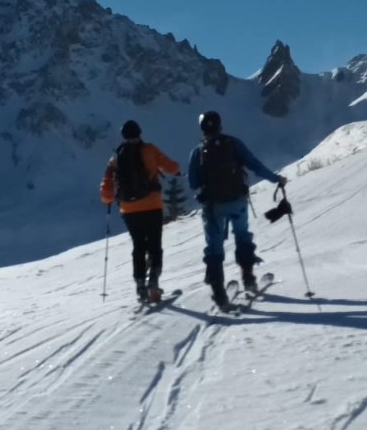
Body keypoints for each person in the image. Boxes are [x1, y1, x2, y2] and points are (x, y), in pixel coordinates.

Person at [187, 110, 286, 308]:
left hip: (212, 207)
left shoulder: (198, 152)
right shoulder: (233, 144)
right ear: (220, 126)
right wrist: (276, 178)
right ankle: (248, 278)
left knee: (214, 249)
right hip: (237, 201)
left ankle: (219, 293)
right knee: (242, 237)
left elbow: (192, 182)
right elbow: (254, 165)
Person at [100, 119, 181, 303]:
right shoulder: (150, 150)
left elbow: (106, 189)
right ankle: (153, 282)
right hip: (152, 205)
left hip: (129, 209)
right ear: (139, 133)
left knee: (138, 246)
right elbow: (170, 167)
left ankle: (140, 284)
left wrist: (109, 199)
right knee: (154, 245)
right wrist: (176, 171)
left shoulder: (116, 156)